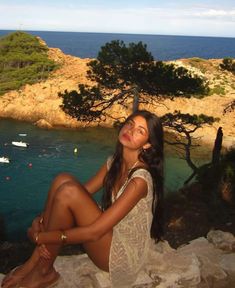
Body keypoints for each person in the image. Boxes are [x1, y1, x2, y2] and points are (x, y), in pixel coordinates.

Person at [1, 109, 164, 288]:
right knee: (62, 180)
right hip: (108, 236)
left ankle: (42, 271)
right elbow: (79, 193)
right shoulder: (114, 162)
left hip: (121, 256)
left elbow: (94, 231)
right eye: (130, 124)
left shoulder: (139, 180)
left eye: (140, 131)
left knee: (68, 191)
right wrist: (39, 219)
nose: (130, 131)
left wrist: (42, 237)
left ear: (148, 144)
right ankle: (35, 265)